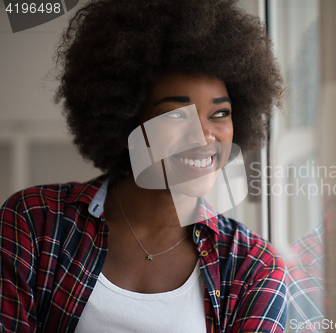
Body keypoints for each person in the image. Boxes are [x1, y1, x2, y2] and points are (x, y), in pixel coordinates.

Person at [0, 0, 287, 332]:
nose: (205, 136)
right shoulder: (35, 222)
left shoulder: (252, 266)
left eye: (220, 113)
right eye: (176, 115)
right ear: (127, 124)